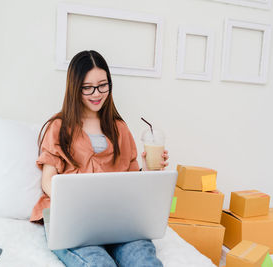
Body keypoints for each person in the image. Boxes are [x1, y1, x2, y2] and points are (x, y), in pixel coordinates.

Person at [30, 50, 169, 267]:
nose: (97, 93)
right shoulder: (59, 127)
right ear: (75, 88)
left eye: (103, 85)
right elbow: (48, 180)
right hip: (72, 219)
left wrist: (151, 170)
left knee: (144, 260)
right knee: (97, 263)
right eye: (88, 87)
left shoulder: (120, 129)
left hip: (118, 218)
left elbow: (133, 182)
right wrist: (75, 202)